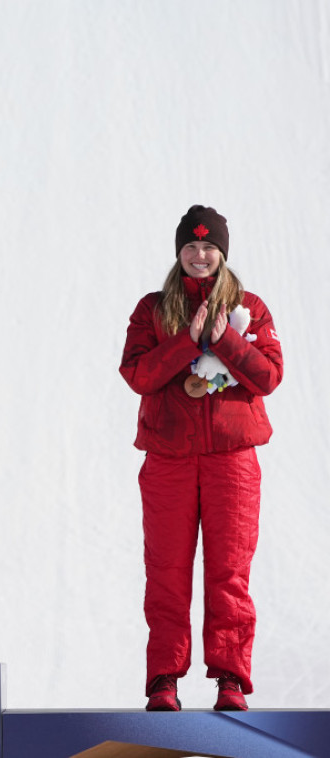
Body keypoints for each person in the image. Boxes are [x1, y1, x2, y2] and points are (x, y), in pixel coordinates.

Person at [120, 205, 283, 712]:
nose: (199, 255)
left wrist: (223, 339)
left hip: (232, 461)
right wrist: (186, 340)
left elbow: (269, 376)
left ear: (223, 252)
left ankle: (230, 680)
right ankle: (164, 679)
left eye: (209, 246)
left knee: (229, 572)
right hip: (169, 459)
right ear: (179, 253)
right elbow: (138, 375)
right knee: (166, 570)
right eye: (190, 247)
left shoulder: (249, 307)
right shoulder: (153, 309)